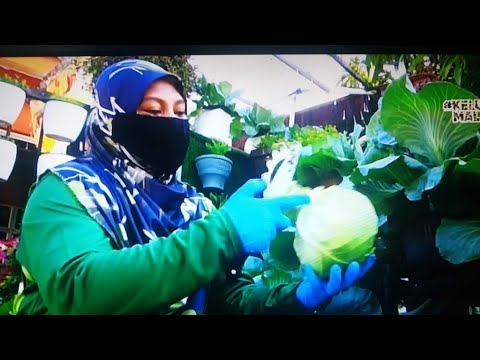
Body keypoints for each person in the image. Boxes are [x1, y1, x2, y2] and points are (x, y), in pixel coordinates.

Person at [15, 59, 375, 315]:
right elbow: (80, 293)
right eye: (152, 112)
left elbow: (221, 299)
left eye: (179, 113)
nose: (170, 125)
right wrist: (223, 233)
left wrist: (293, 299)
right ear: (110, 119)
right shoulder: (65, 192)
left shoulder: (191, 206)